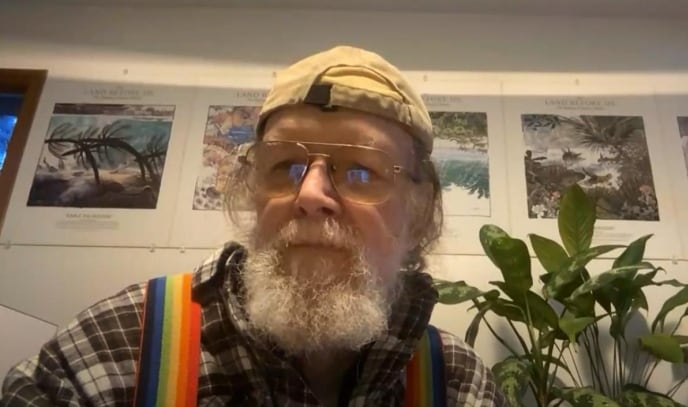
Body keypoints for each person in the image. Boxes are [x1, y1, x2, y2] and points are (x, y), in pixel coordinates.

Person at [1, 45, 506, 406]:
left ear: (420, 212)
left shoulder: (459, 384)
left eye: (360, 172)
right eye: (285, 166)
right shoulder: (111, 353)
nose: (309, 196)